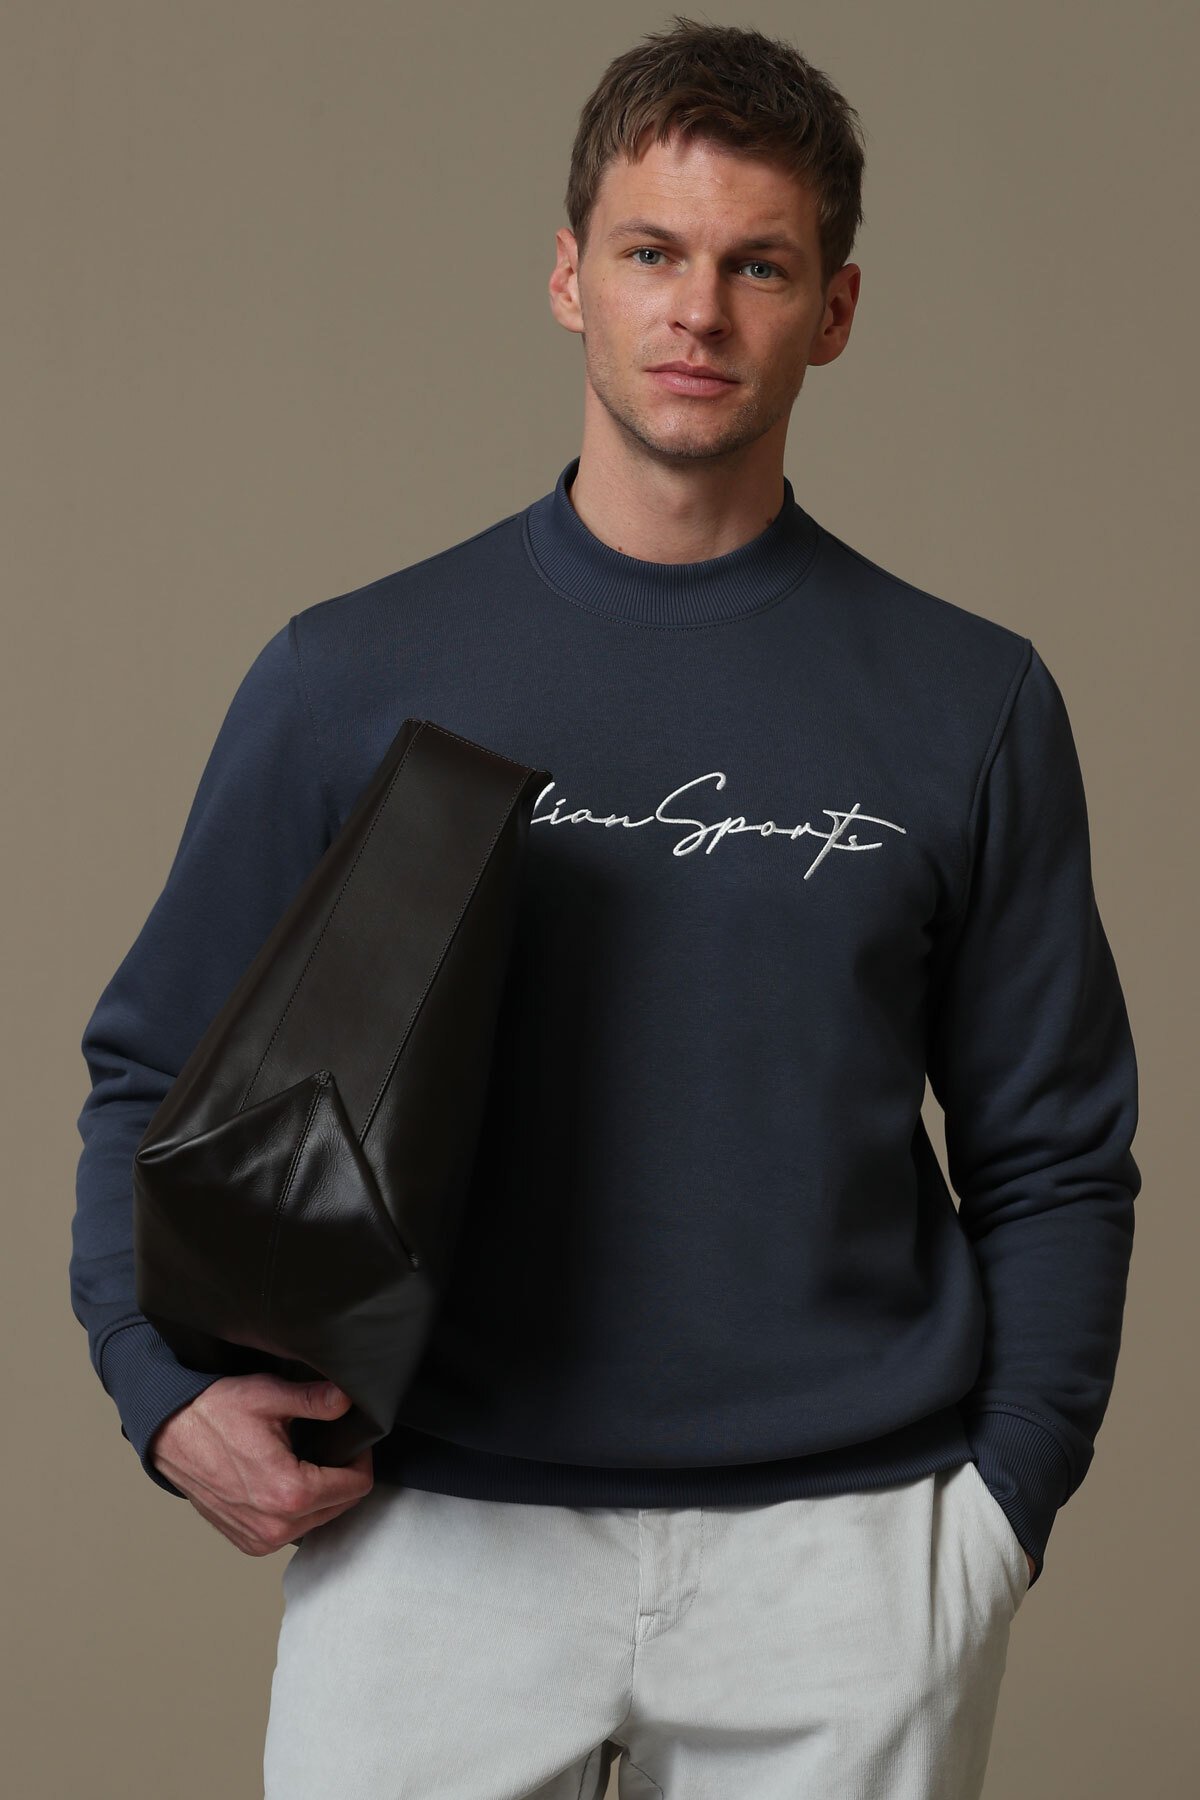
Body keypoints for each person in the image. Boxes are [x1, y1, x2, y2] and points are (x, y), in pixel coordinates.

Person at [71, 15, 1140, 1798]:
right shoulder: (353, 675)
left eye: (757, 266)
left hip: (849, 1557)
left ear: (836, 310)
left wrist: (1001, 1511)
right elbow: (146, 1073)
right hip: (429, 1531)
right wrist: (154, 1383)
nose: (697, 312)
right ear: (570, 277)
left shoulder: (971, 702)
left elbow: (1056, 1153)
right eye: (652, 253)